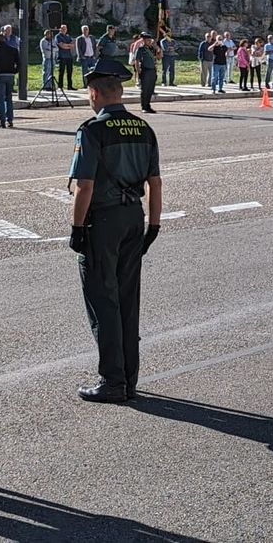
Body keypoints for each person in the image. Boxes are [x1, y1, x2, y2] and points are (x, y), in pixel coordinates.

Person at [67, 59, 162, 403]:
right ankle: (129, 377)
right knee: (127, 300)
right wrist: (154, 224)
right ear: (120, 92)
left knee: (102, 301)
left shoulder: (92, 130)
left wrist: (77, 228)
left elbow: (84, 186)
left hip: (103, 221)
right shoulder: (143, 128)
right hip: (134, 218)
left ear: (95, 93)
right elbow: (155, 182)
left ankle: (112, 380)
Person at [132, 32, 160, 113]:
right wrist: (138, 71)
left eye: (150, 40)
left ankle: (148, 105)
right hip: (145, 70)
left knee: (151, 89)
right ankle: (144, 106)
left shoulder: (152, 49)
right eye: (147, 40)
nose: (149, 41)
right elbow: (137, 61)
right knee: (145, 89)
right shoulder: (140, 49)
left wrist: (158, 49)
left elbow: (159, 57)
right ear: (143, 40)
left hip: (152, 70)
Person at [55, 24, 76, 90]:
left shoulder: (68, 36)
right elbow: (61, 46)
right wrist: (68, 46)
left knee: (70, 71)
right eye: (63, 29)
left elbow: (73, 45)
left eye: (65, 29)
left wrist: (66, 45)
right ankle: (60, 86)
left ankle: (70, 86)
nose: (64, 30)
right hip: (62, 56)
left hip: (69, 56)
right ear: (60, 29)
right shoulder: (58, 36)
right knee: (61, 71)